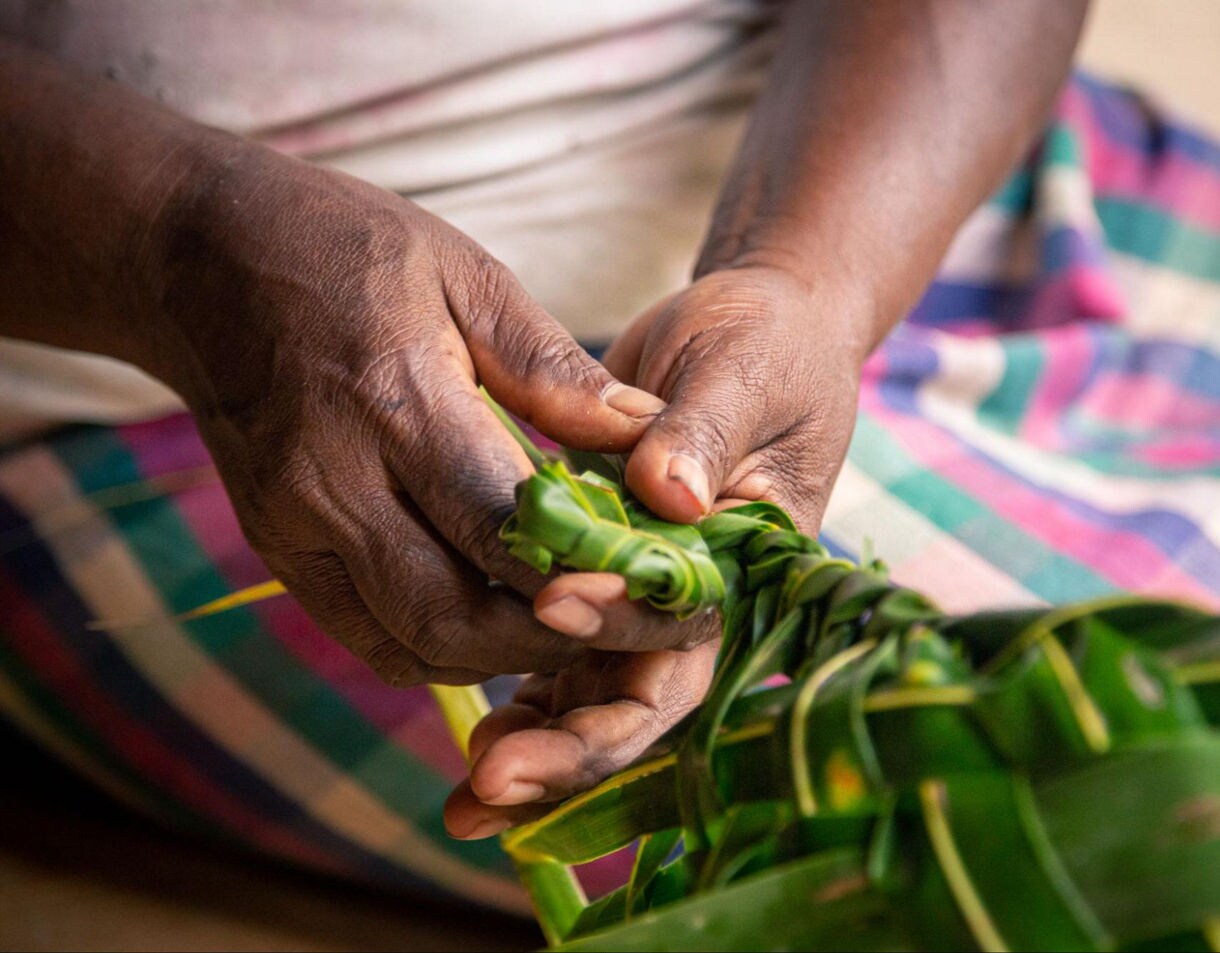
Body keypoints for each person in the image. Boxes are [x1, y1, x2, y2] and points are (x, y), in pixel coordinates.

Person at [5, 0, 1219, 911]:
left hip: (901, 155)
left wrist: (807, 269)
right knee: (1091, 797)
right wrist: (177, 242)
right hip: (219, 399)